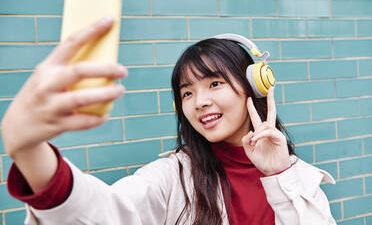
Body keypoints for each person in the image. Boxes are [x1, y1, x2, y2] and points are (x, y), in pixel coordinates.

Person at [1, 16, 336, 225]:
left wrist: (279, 175)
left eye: (214, 83)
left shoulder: (297, 174)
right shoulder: (173, 176)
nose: (199, 101)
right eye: (186, 92)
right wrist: (28, 149)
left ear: (255, 85)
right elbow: (103, 213)